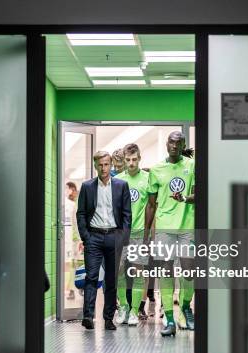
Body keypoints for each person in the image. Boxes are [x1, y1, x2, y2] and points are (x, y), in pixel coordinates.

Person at [144, 131, 195, 337]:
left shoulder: (192, 166)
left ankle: (185, 308)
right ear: (167, 144)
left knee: (190, 271)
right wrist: (146, 234)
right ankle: (169, 319)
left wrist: (184, 198)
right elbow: (150, 205)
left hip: (187, 226)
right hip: (165, 228)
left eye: (179, 143)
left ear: (183, 145)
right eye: (172, 142)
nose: (174, 146)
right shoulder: (156, 170)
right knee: (166, 272)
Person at [77, 151, 131, 330]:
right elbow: (82, 213)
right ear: (95, 166)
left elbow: (126, 214)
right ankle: (88, 316)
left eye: (106, 164)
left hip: (114, 237)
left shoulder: (122, 186)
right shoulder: (87, 186)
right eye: (100, 164)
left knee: (111, 279)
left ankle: (108, 318)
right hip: (94, 237)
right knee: (91, 277)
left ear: (111, 165)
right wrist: (86, 236)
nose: (104, 168)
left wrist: (123, 238)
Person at [115, 144, 150, 326]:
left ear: (139, 158)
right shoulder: (118, 180)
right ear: (124, 160)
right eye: (128, 160)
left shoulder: (147, 178)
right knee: (119, 270)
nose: (131, 163)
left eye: (134, 159)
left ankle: (135, 311)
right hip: (121, 233)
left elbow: (152, 207)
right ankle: (124, 307)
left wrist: (148, 235)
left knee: (138, 271)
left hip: (139, 233)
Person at [64, 182, 80, 300]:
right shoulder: (69, 204)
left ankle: (73, 289)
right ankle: (71, 289)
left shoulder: (75, 203)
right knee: (72, 264)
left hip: (76, 239)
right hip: (72, 239)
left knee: (74, 264)